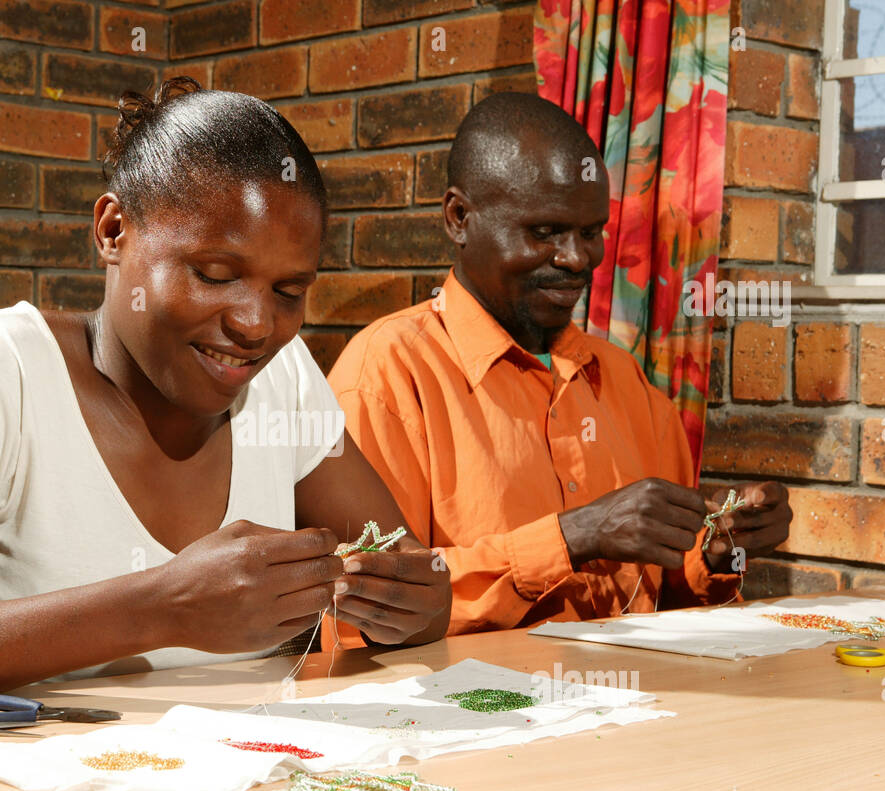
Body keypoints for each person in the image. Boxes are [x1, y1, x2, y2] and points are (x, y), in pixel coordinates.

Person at [0, 78, 450, 710]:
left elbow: (417, 584)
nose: (255, 322)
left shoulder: (284, 376)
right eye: (215, 273)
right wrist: (159, 608)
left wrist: (408, 603)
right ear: (112, 231)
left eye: (289, 291)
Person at [326, 92, 792, 640]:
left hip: (634, 709)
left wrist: (715, 555)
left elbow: (667, 599)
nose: (577, 259)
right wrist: (573, 537)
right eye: (544, 232)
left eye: (591, 232)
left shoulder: (626, 381)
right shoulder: (387, 373)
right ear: (459, 219)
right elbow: (368, 604)